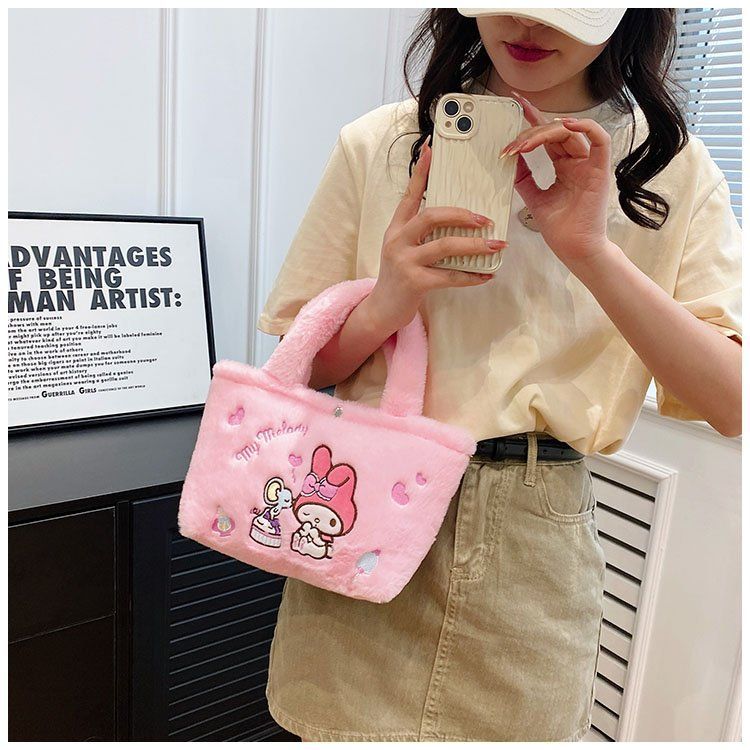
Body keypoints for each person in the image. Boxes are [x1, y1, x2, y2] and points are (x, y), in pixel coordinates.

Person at [255, 8, 742, 742]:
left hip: (533, 537)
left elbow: (731, 402)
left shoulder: (669, 168)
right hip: (367, 503)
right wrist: (388, 299)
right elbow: (307, 361)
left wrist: (591, 251)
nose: (524, 22)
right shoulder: (380, 144)